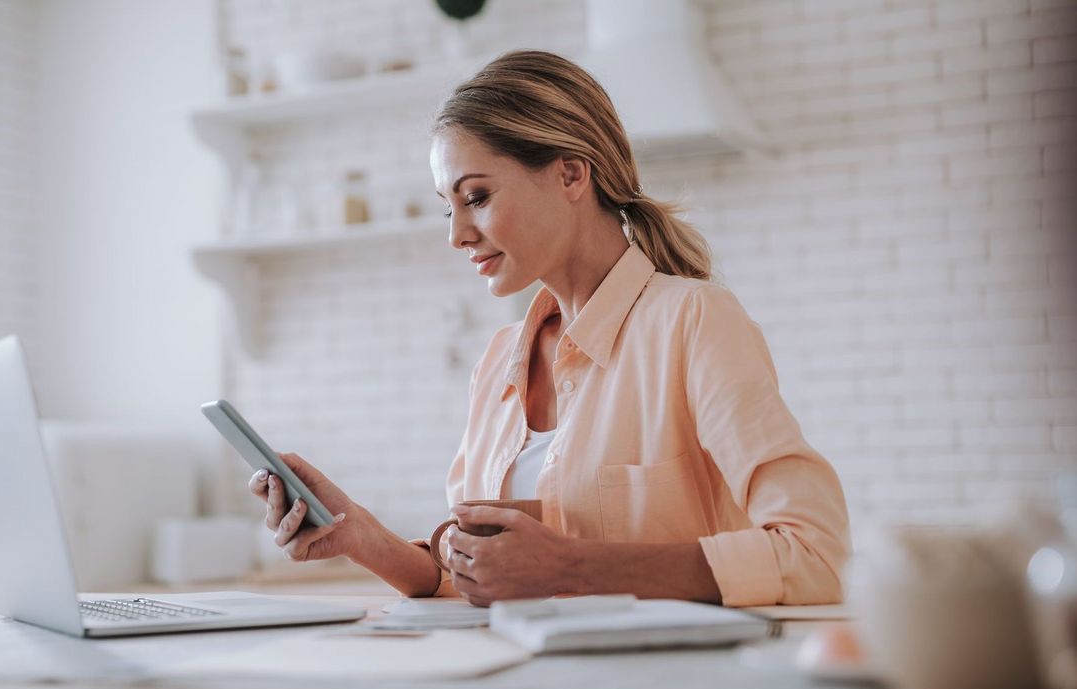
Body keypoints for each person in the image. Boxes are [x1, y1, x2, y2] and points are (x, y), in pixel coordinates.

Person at [249, 50, 850, 608]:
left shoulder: (693, 321)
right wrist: (356, 532)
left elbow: (815, 555)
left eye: (477, 196)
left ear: (570, 176)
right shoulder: (499, 360)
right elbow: (471, 573)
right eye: (447, 206)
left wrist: (572, 567)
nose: (456, 234)